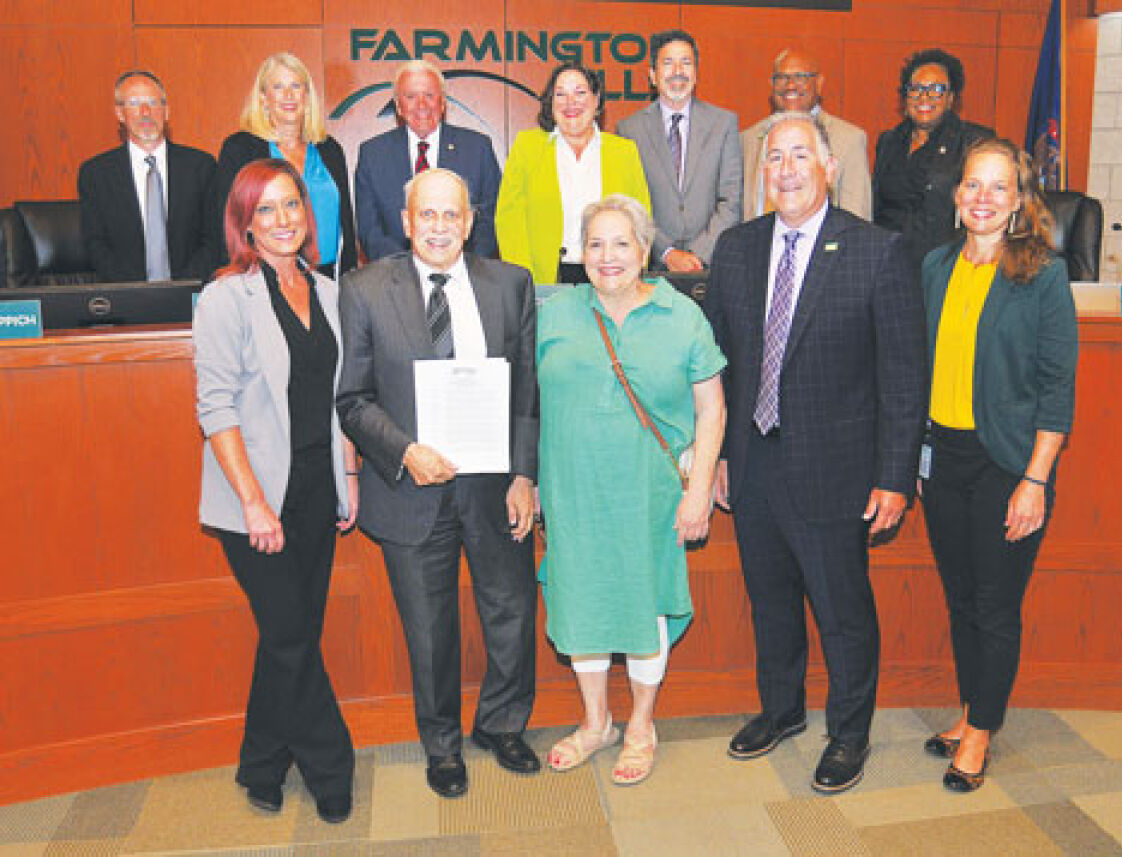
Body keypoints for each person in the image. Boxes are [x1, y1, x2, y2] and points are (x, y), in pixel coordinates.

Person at [705, 113, 927, 793]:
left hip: (837, 468)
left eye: (802, 155)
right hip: (753, 459)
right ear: (761, 173)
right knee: (770, 599)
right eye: (775, 158)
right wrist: (713, 456)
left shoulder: (876, 249)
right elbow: (720, 365)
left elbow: (903, 375)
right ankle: (782, 708)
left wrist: (895, 476)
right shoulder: (737, 248)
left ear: (829, 167)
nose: (788, 169)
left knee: (841, 607)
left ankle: (849, 731)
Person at [336, 168, 540, 799]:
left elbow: (527, 389)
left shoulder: (510, 284)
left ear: (471, 221)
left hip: (492, 485)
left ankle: (503, 725)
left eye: (452, 215)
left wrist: (525, 473)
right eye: (427, 215)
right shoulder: (365, 289)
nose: (440, 227)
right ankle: (442, 745)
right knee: (429, 628)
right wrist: (405, 452)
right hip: (410, 487)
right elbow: (353, 399)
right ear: (405, 221)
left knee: (510, 611)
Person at [538, 195, 726, 785]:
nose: (608, 256)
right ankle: (596, 723)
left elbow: (712, 409)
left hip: (650, 495)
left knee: (644, 604)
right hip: (573, 491)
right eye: (595, 244)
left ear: (645, 251)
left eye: (622, 243)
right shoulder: (554, 313)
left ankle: (641, 724)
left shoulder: (682, 315)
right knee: (584, 601)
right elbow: (525, 404)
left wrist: (698, 492)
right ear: (579, 254)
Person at [193, 158, 357, 823]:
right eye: (266, 210)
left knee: (289, 635)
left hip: (318, 490)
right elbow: (216, 407)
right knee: (292, 636)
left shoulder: (329, 289)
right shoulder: (227, 296)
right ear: (244, 223)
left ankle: (261, 760)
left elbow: (339, 397)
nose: (283, 219)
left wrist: (348, 477)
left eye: (292, 205)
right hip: (253, 498)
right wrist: (255, 501)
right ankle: (330, 765)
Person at [919, 138, 1077, 792]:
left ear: (1019, 202)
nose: (983, 198)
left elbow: (1056, 387)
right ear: (957, 196)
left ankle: (983, 728)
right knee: (960, 599)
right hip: (943, 460)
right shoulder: (933, 265)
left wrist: (1035, 479)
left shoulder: (1041, 276)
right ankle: (969, 708)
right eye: (972, 186)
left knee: (995, 603)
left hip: (1007, 464)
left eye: (998, 188)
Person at [496, 62, 651, 284]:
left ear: (596, 100)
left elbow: (641, 219)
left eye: (580, 93)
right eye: (561, 94)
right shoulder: (527, 147)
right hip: (545, 279)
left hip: (610, 273)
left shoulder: (623, 151)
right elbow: (508, 220)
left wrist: (633, 272)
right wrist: (523, 279)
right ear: (550, 103)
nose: (571, 103)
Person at [212, 53, 356, 278]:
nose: (288, 95)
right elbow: (227, 222)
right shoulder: (240, 149)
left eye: (296, 86)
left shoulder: (329, 150)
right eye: (278, 87)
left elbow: (346, 226)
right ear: (263, 98)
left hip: (328, 280)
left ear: (307, 97)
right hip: (262, 277)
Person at [615, 30, 741, 272]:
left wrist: (698, 254)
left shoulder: (723, 123)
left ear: (696, 73)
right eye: (668, 63)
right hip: (652, 267)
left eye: (686, 63)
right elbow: (630, 205)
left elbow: (731, 201)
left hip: (711, 265)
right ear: (652, 75)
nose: (678, 72)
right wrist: (668, 253)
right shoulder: (629, 129)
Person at [355, 60, 501, 261]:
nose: (421, 105)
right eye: (411, 97)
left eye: (430, 96)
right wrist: (408, 272)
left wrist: (464, 268)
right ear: (398, 106)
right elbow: (370, 230)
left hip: (465, 275)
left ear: (442, 103)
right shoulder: (372, 154)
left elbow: (490, 220)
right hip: (396, 279)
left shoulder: (478, 148)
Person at [78, 70, 217, 282]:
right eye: (133, 103)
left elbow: (214, 239)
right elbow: (96, 245)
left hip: (192, 295)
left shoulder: (201, 167)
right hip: (126, 298)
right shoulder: (96, 174)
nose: (145, 112)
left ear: (167, 111)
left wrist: (182, 288)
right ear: (120, 113)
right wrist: (138, 295)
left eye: (153, 102)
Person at [873, 48, 993, 271]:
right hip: (887, 264)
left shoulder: (975, 142)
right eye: (916, 88)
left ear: (950, 99)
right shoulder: (889, 141)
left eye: (936, 89)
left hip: (945, 266)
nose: (924, 97)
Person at [741, 48, 871, 222]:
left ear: (819, 83)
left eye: (800, 77)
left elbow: (857, 219)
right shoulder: (748, 139)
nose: (790, 85)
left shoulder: (848, 140)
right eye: (782, 78)